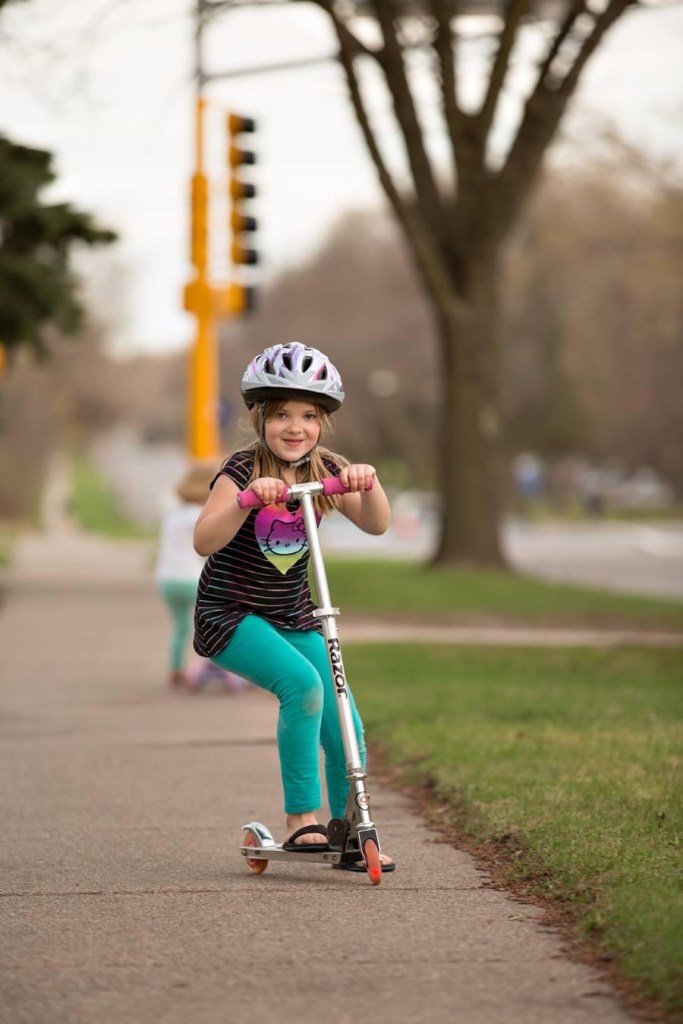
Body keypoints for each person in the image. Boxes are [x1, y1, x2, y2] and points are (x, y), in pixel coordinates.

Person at [193, 341, 394, 870]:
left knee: (344, 719)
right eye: (281, 414)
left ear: (323, 422)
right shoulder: (240, 469)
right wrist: (245, 500)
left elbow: (377, 523)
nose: (294, 426)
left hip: (294, 613)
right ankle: (301, 819)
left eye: (308, 415)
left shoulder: (326, 468)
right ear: (260, 418)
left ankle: (350, 828)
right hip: (230, 616)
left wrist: (366, 483)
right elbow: (204, 541)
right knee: (302, 687)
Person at [155, 460, 218, 688]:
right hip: (193, 579)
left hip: (167, 579)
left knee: (181, 626)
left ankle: (176, 669)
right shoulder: (200, 515)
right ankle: (213, 668)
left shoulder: (172, 515)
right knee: (214, 623)